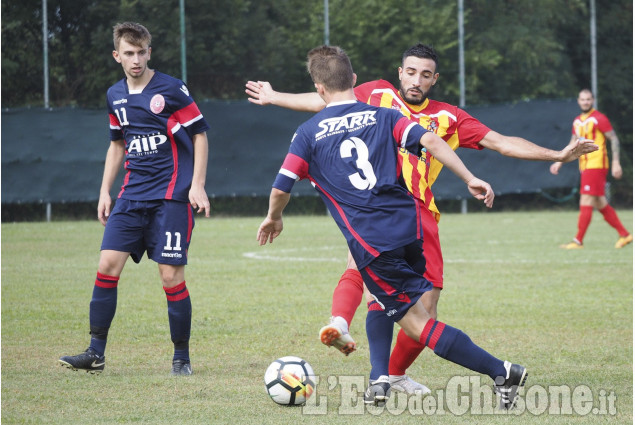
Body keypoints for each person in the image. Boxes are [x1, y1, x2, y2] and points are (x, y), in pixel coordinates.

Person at [246, 43, 597, 401]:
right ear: (400, 72)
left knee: (421, 309)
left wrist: (556, 154)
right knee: (380, 288)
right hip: (383, 212)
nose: (416, 80)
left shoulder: (449, 117)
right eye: (411, 72)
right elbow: (325, 98)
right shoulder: (377, 96)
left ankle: (391, 370)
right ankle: (378, 372)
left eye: (425, 74)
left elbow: (502, 142)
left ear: (434, 79)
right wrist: (276, 97)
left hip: (418, 215)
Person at [58, 22, 211, 376]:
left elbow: (200, 134)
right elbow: (117, 144)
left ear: (149, 52)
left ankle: (181, 358)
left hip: (171, 196)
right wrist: (104, 191)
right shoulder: (115, 95)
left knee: (170, 276)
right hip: (131, 196)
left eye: (142, 52)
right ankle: (95, 353)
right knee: (107, 266)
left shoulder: (171, 89)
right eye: (129, 53)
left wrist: (197, 185)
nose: (136, 59)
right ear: (117, 56)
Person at [550, 89, 632, 249]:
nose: (585, 102)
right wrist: (559, 161)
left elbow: (614, 139)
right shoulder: (577, 121)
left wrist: (616, 162)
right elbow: (572, 143)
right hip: (585, 166)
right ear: (578, 101)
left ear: (593, 100)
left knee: (585, 200)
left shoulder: (599, 118)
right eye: (583, 99)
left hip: (597, 165)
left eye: (588, 99)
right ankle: (625, 235)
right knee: (600, 203)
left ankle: (578, 241)